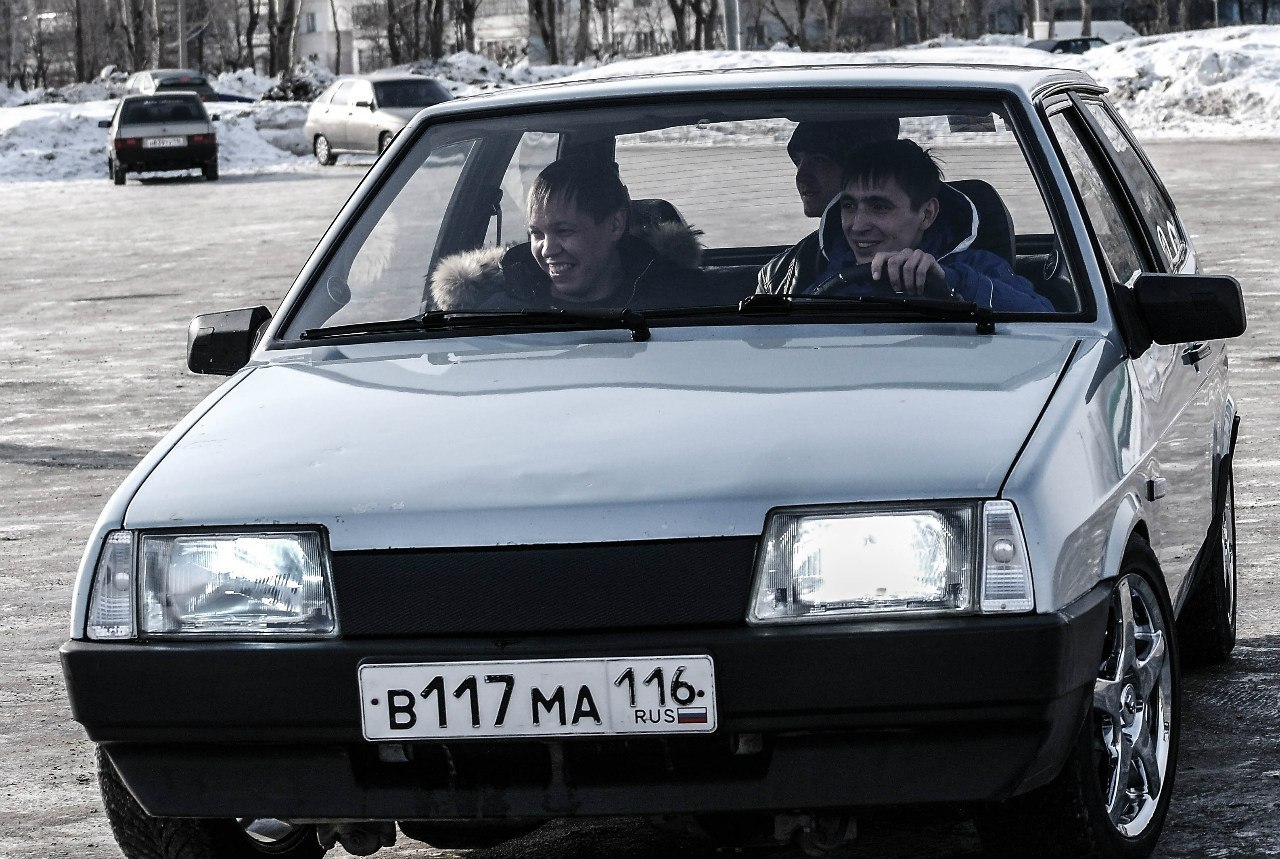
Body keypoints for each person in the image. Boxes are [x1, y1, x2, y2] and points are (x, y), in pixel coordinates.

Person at [429, 154, 703, 311]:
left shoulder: (685, 305)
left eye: (564, 231)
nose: (548, 250)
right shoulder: (497, 313)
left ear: (615, 225)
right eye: (537, 234)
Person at [817, 139, 1052, 311]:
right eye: (849, 206)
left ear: (927, 214)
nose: (857, 226)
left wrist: (951, 282)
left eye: (879, 207)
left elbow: (1046, 319)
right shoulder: (832, 275)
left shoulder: (977, 268)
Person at [756, 117, 900, 295]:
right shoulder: (778, 275)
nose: (801, 176)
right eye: (798, 161)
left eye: (819, 159)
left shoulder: (929, 264)